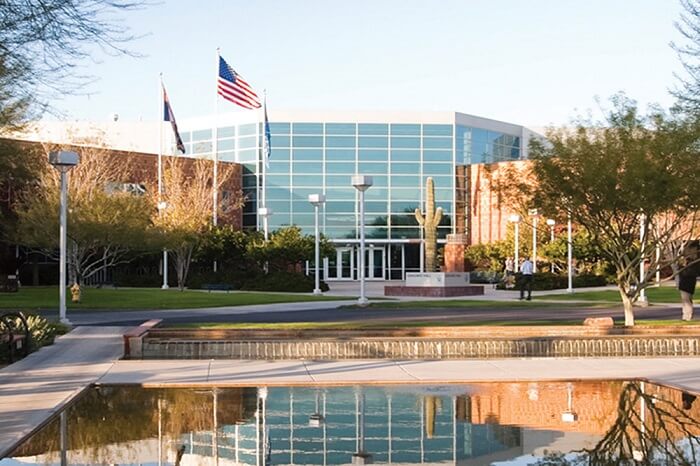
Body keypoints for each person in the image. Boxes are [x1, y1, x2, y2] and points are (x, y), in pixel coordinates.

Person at [678, 243, 698, 321]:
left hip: (688, 279)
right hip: (684, 279)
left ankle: (688, 315)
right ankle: (686, 315)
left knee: (686, 298)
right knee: (685, 298)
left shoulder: (692, 262)